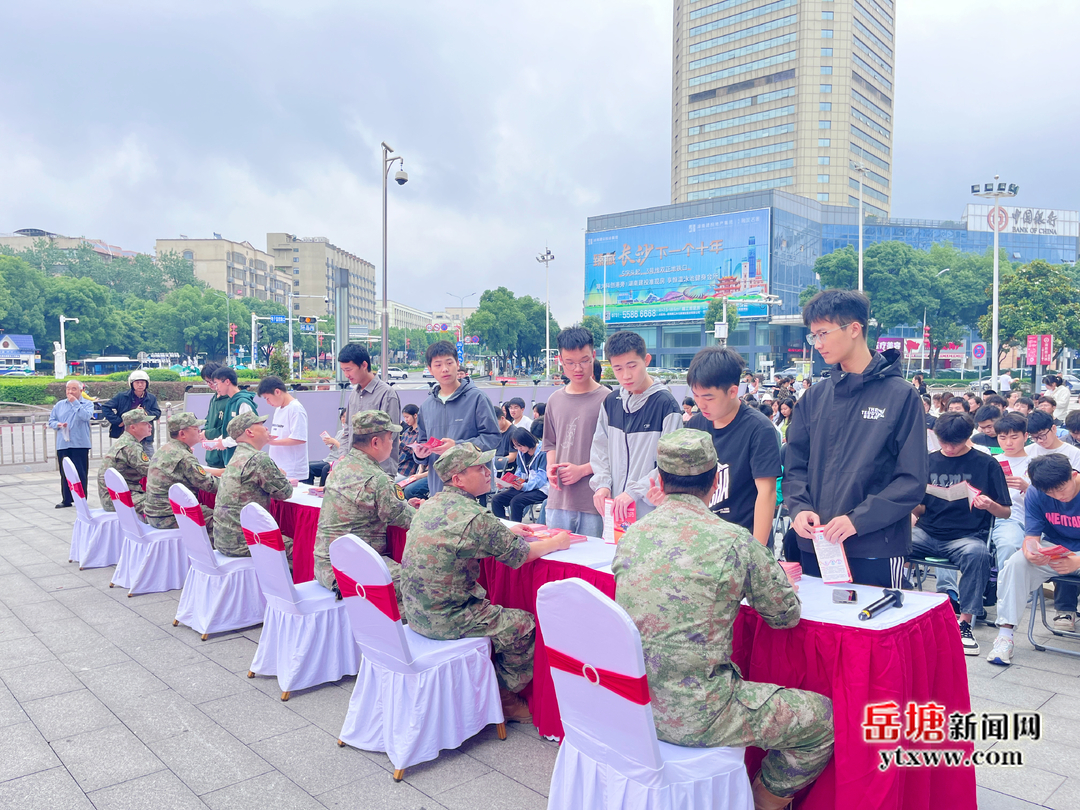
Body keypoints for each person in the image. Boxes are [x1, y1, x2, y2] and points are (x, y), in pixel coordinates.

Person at [613, 430, 833, 809]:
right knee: (821, 719)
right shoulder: (735, 540)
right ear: (716, 482)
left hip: (632, 703)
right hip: (699, 713)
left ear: (660, 481)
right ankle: (762, 800)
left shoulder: (633, 535)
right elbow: (784, 616)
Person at [399, 443, 572, 723]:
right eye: (479, 468)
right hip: (447, 617)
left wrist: (506, 528)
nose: (487, 473)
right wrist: (557, 542)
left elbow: (474, 530)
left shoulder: (433, 504)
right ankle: (503, 696)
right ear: (458, 479)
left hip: (416, 613)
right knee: (524, 626)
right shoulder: (474, 516)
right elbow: (522, 555)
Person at [783, 289, 927, 588]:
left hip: (875, 547)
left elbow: (911, 480)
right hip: (817, 545)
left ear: (854, 329)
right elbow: (795, 464)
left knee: (874, 633)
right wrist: (799, 508)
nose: (818, 344)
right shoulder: (815, 397)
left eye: (823, 333)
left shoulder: (901, 395)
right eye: (813, 336)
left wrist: (857, 520)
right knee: (818, 632)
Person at [911, 412, 1010, 655]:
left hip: (965, 537)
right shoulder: (928, 460)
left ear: (967, 437)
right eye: (943, 442)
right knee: (892, 541)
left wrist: (990, 506)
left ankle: (964, 623)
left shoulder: (986, 464)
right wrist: (909, 503)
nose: (948, 448)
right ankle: (900, 603)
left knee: (978, 554)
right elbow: (921, 507)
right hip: (927, 532)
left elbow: (1005, 511)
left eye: (954, 443)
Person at [679, 347, 782, 544]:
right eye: (696, 396)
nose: (701, 405)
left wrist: (756, 552)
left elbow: (766, 493)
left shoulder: (759, 429)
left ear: (733, 391)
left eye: (708, 397)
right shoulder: (694, 426)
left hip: (742, 541)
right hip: (703, 540)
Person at [986, 453, 1080, 666]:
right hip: (1057, 549)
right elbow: (1032, 536)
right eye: (1050, 492)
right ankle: (1005, 636)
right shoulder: (1036, 493)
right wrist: (1030, 551)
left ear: (1073, 475)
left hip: (1076, 556)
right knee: (1016, 563)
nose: (1058, 496)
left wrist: (1077, 561)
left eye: (1062, 489)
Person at [314, 411, 416, 600]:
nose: (394, 444)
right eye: (390, 438)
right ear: (376, 442)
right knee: (424, 586)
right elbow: (407, 519)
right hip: (353, 573)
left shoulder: (340, 465)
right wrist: (426, 511)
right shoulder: (377, 478)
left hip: (325, 565)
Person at [589, 331, 682, 524]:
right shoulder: (611, 402)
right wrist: (602, 484)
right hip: (615, 511)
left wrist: (634, 491)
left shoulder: (666, 404)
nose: (626, 375)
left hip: (650, 512)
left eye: (632, 366)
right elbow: (599, 450)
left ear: (646, 360)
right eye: (618, 368)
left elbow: (670, 463)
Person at [411, 341, 501, 498]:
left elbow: (492, 438)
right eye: (438, 365)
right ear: (430, 369)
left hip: (472, 488)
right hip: (438, 487)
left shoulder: (477, 398)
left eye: (449, 363)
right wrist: (420, 454)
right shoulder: (426, 406)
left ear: (457, 364)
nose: (444, 369)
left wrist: (457, 446)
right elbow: (423, 442)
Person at [543, 326, 609, 537]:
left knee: (591, 565)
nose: (577, 368)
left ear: (594, 356)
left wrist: (582, 470)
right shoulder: (555, 399)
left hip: (593, 501)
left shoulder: (608, 399)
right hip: (558, 500)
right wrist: (550, 468)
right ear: (560, 360)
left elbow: (615, 453)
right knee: (557, 564)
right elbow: (550, 443)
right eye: (570, 363)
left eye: (584, 360)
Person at [213, 412, 294, 559]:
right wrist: (281, 475)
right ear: (249, 432)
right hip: (245, 541)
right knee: (301, 550)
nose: (266, 429)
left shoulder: (237, 456)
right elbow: (286, 492)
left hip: (224, 538)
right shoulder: (258, 458)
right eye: (261, 425)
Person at [144, 412, 222, 536]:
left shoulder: (166, 448)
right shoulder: (183, 456)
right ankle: (208, 554)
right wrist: (234, 481)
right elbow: (211, 485)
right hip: (171, 515)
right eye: (196, 429)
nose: (199, 431)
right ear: (182, 433)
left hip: (156, 512)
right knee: (225, 523)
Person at [339, 343, 401, 477]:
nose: (346, 374)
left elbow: (390, 435)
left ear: (364, 365)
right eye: (343, 370)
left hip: (379, 472)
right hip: (355, 470)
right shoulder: (354, 395)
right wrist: (343, 456)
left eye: (349, 369)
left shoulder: (386, 394)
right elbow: (348, 431)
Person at [96, 408, 153, 515]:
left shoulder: (126, 441)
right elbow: (152, 472)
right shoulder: (131, 446)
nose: (150, 426)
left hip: (113, 496)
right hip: (119, 498)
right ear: (133, 427)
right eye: (145, 423)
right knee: (163, 504)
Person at [50, 380, 94, 509]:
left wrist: (75, 403)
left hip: (80, 443)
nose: (70, 392)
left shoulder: (87, 404)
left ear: (81, 390)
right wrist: (58, 425)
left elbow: (85, 416)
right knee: (65, 473)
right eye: (68, 389)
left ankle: (81, 498)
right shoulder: (59, 405)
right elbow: (51, 420)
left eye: (74, 389)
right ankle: (66, 499)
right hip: (63, 443)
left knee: (81, 472)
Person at [256, 376, 309, 481]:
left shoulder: (296, 408)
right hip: (279, 467)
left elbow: (299, 438)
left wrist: (270, 442)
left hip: (292, 471)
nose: (268, 402)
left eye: (267, 398)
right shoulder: (279, 409)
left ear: (277, 392)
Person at [100, 370, 161, 457]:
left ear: (147, 384)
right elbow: (106, 407)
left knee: (149, 462)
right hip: (126, 436)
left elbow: (157, 413)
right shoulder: (122, 396)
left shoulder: (151, 398)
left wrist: (144, 413)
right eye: (137, 382)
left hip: (145, 438)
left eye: (143, 382)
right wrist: (118, 421)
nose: (140, 385)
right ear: (131, 383)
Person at [204, 367, 258, 466]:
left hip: (243, 460)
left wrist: (224, 443)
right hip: (231, 459)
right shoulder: (231, 402)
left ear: (227, 381)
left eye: (216, 383)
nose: (216, 387)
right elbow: (228, 431)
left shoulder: (243, 403)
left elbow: (247, 434)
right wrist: (216, 442)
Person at [491, 427, 547, 521]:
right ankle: (502, 527)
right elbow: (520, 472)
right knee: (496, 499)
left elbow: (541, 479)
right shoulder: (521, 453)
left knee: (516, 501)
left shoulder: (543, 453)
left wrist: (524, 486)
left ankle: (515, 531)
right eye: (515, 446)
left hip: (542, 488)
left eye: (520, 445)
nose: (518, 449)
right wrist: (508, 483)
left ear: (528, 441)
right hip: (524, 485)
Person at [306, 409, 347, 487]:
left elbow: (345, 450)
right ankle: (307, 488)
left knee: (310, 468)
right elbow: (335, 449)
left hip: (335, 460)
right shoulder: (340, 432)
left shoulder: (350, 434)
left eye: (345, 417)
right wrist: (331, 444)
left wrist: (334, 441)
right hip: (329, 458)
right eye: (342, 416)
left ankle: (320, 491)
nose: (343, 419)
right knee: (306, 466)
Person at [200, 362, 230, 468]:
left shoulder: (230, 400)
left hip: (224, 454)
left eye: (212, 381)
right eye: (207, 381)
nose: (210, 384)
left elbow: (228, 429)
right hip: (212, 453)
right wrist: (203, 432)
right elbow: (208, 420)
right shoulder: (214, 398)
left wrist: (207, 433)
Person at [397, 404, 422, 477]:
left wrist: (400, 444)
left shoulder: (421, 434)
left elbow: (416, 454)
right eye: (404, 417)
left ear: (415, 415)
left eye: (407, 417)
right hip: (397, 468)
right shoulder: (406, 432)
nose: (406, 420)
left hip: (407, 471)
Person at [494, 405, 518, 473]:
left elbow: (512, 457)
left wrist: (496, 461)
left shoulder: (513, 432)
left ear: (502, 418)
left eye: (495, 423)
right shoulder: (496, 431)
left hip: (507, 469)